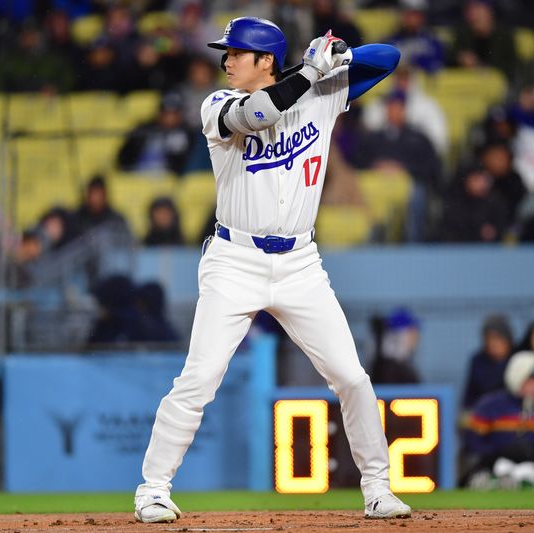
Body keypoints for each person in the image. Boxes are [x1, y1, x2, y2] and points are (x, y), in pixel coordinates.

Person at [134, 17, 410, 524]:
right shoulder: (218, 105)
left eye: (237, 52)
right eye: (227, 53)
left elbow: (388, 57)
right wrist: (308, 72)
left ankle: (378, 488)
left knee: (350, 375)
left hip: (300, 263)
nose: (226, 60)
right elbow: (261, 113)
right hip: (234, 260)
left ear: (265, 60)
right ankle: (153, 489)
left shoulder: (321, 93)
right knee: (198, 380)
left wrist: (336, 54)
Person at [462, 351, 534, 488]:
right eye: (533, 378)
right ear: (517, 375)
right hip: (494, 471)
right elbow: (473, 443)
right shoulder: (490, 405)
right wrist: (498, 455)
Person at [462, 314, 514, 409]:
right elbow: (469, 398)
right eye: (488, 338)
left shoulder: (518, 358)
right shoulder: (478, 361)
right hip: (484, 415)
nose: (493, 343)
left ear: (508, 339)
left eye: (497, 338)